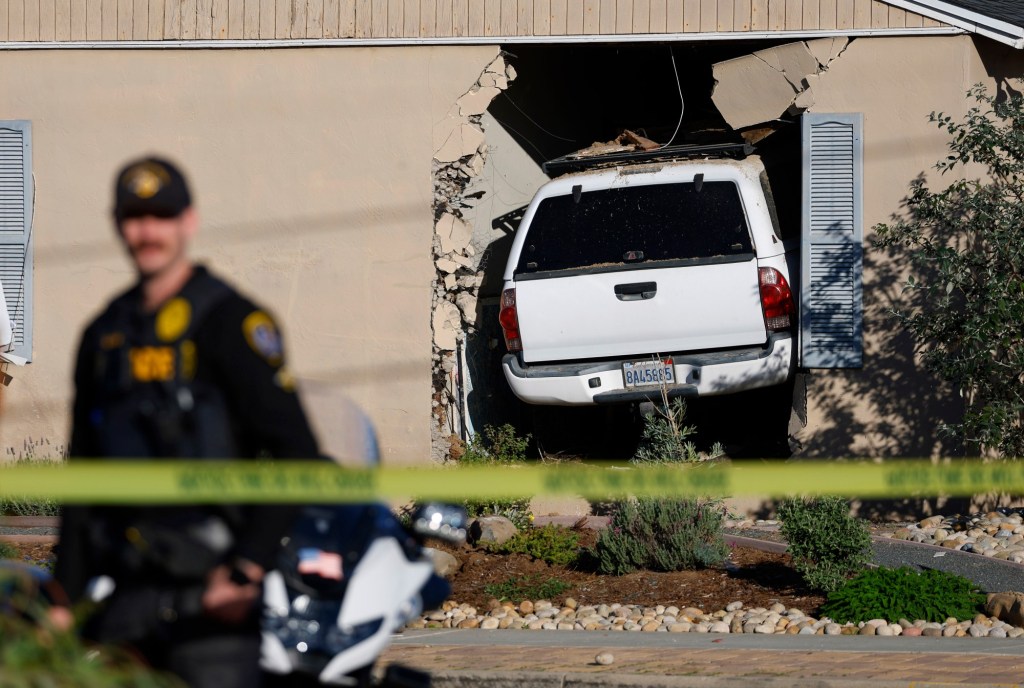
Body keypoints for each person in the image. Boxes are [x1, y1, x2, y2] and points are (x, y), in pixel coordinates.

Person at [51, 155, 320, 688]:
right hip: (124, 602)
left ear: (188, 221)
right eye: (135, 217)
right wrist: (63, 598)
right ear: (118, 224)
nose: (148, 232)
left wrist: (246, 567)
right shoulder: (104, 336)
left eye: (162, 216)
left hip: (212, 606)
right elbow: (81, 477)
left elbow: (298, 455)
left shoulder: (231, 323)